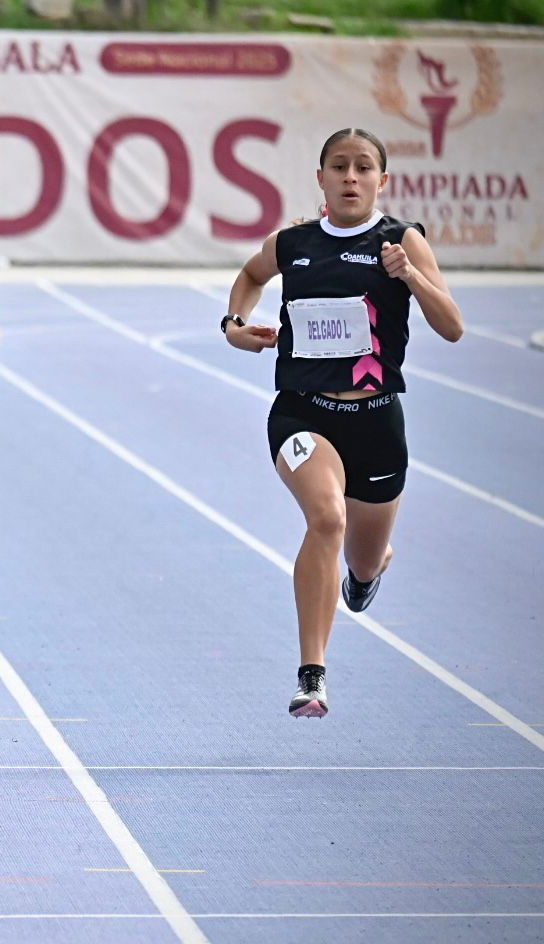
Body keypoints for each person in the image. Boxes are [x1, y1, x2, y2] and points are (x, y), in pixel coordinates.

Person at [223, 127, 462, 718]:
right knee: (325, 518)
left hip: (377, 422)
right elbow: (250, 277)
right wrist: (234, 325)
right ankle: (312, 675)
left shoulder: (401, 240)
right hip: (304, 414)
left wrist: (410, 275)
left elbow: (453, 326)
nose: (350, 177)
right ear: (322, 177)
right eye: (339, 166)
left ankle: (369, 568)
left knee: (360, 558)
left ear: (382, 181)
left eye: (362, 168)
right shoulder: (292, 243)